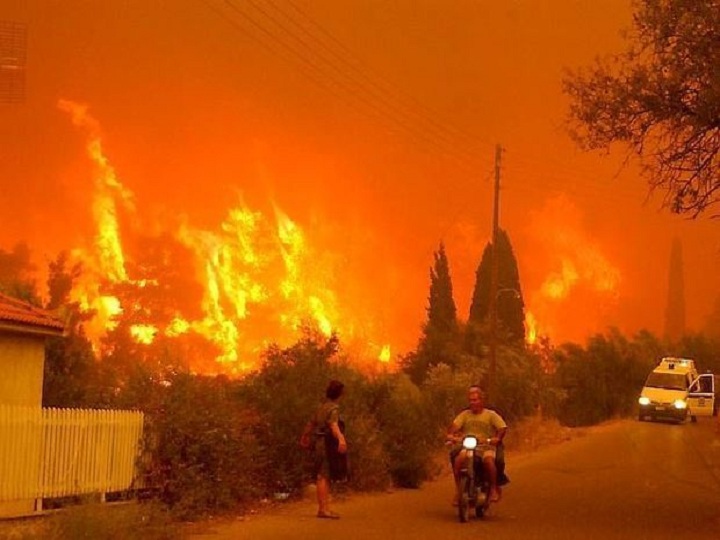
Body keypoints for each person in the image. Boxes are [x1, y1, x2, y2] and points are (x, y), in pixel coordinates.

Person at [447, 385, 507, 505]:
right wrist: (451, 436)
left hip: (486, 446)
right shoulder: (465, 414)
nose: (472, 403)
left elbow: (502, 427)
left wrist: (496, 438)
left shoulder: (490, 414)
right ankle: (459, 490)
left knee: (488, 461)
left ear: (481, 400)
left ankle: (494, 489)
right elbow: (454, 427)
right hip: (468, 446)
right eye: (470, 400)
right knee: (459, 459)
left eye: (475, 400)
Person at [299, 379, 347, 519]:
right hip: (327, 443)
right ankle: (323, 509)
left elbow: (311, 423)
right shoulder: (333, 409)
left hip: (318, 442)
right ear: (339, 394)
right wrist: (341, 439)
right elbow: (333, 425)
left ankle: (324, 508)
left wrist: (305, 435)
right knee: (324, 476)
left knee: (321, 475)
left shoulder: (321, 407)